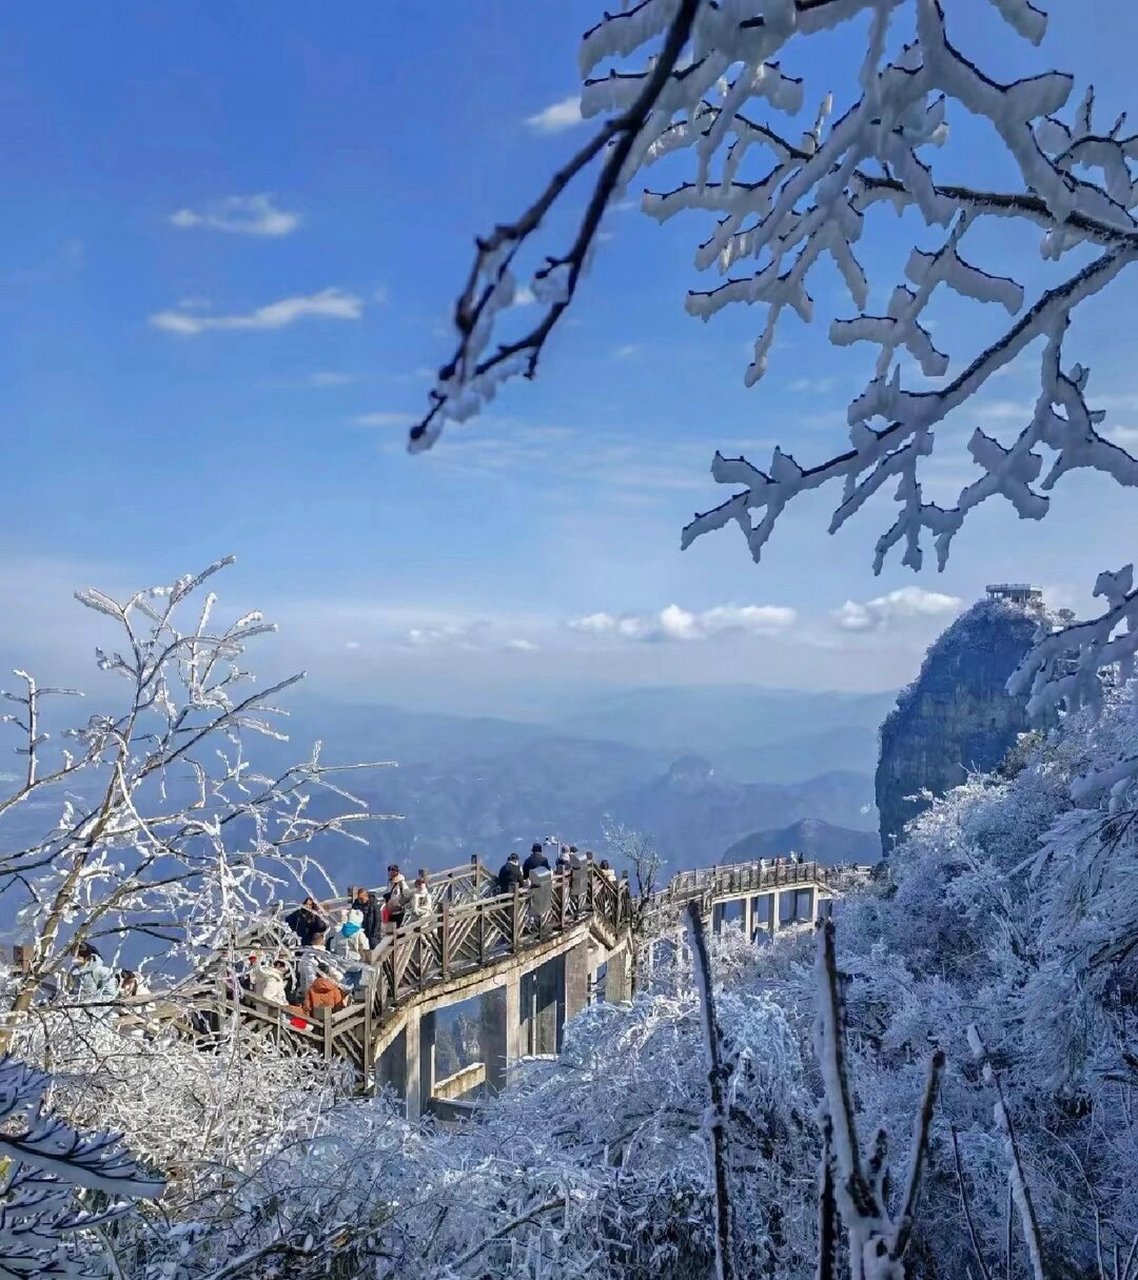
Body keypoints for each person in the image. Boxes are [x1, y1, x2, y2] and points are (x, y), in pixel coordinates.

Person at [384, 865, 410, 930]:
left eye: (394, 871)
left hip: (399, 913)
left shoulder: (401, 883)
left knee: (399, 932)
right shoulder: (390, 883)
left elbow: (407, 895)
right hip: (390, 913)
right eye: (391, 871)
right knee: (391, 932)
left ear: (397, 872)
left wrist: (399, 904)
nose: (392, 872)